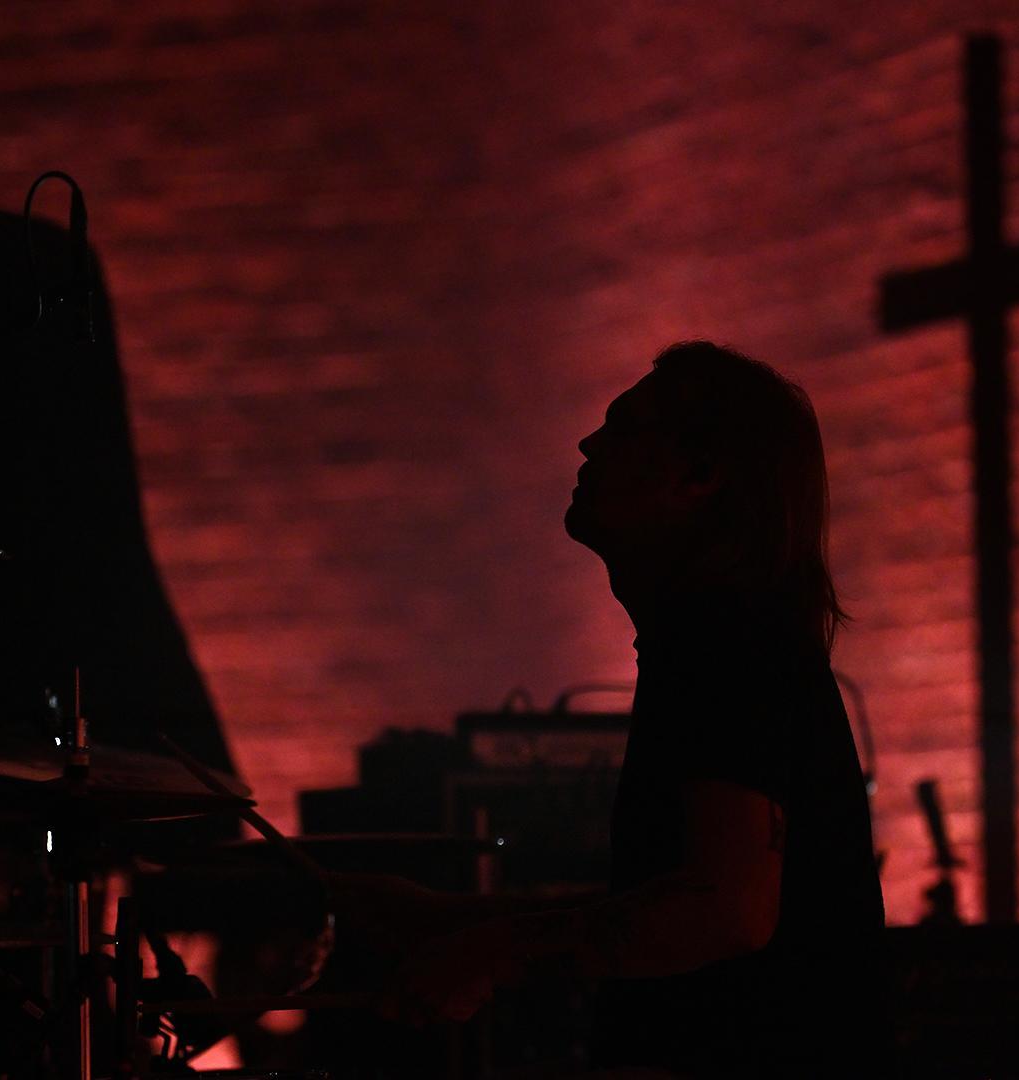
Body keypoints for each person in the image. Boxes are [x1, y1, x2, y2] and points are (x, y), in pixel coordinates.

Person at [341, 341, 891, 1077]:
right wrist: (454, 922)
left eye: (625, 429)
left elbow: (723, 911)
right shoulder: (721, 639)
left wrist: (490, 954)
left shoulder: (727, 644)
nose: (589, 443)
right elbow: (674, 893)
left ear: (698, 476)